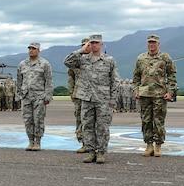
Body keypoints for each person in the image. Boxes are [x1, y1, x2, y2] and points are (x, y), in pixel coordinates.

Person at [63, 34, 120, 163]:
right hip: (87, 98)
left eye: (96, 43)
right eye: (91, 43)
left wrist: (113, 99)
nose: (93, 45)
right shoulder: (83, 59)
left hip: (103, 99)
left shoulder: (109, 60)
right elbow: (67, 62)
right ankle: (90, 152)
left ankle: (101, 153)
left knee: (102, 127)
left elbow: (115, 80)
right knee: (87, 126)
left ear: (101, 44)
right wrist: (82, 50)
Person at [132, 34, 177, 157]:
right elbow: (136, 77)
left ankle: (158, 145)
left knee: (159, 121)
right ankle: (149, 145)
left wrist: (170, 91)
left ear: (158, 44)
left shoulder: (165, 57)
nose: (151, 44)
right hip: (144, 95)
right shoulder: (141, 58)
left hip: (159, 95)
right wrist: (136, 90)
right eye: (149, 42)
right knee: (146, 121)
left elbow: (172, 76)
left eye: (154, 42)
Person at [16, 42, 53, 150]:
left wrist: (48, 96)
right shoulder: (22, 64)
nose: (31, 50)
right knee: (27, 120)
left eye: (34, 48)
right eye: (30, 48)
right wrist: (18, 96)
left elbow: (49, 81)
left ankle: (38, 142)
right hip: (26, 96)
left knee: (38, 119)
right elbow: (19, 81)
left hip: (39, 96)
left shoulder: (44, 64)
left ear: (38, 50)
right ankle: (30, 141)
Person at [68, 38, 88, 153]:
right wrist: (71, 92)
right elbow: (71, 77)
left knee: (92, 119)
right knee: (79, 119)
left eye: (87, 45)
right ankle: (83, 142)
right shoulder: (76, 61)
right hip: (78, 94)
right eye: (83, 45)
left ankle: (93, 143)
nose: (85, 47)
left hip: (92, 94)